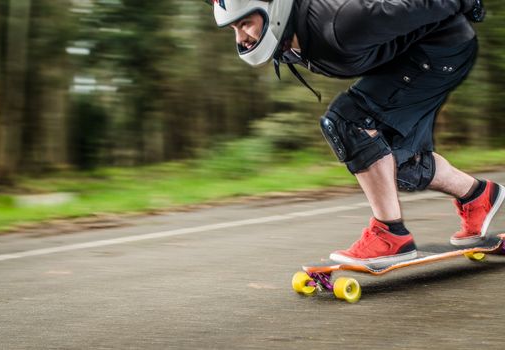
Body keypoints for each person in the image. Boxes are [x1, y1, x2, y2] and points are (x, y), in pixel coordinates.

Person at [205, 0, 504, 266]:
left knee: (348, 121)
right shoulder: (285, 36)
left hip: (440, 52)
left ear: (274, 9)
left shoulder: (342, 22)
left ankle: (390, 235)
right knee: (392, 161)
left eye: (245, 24)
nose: (241, 39)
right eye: (234, 28)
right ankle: (477, 195)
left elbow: (416, 6)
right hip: (414, 56)